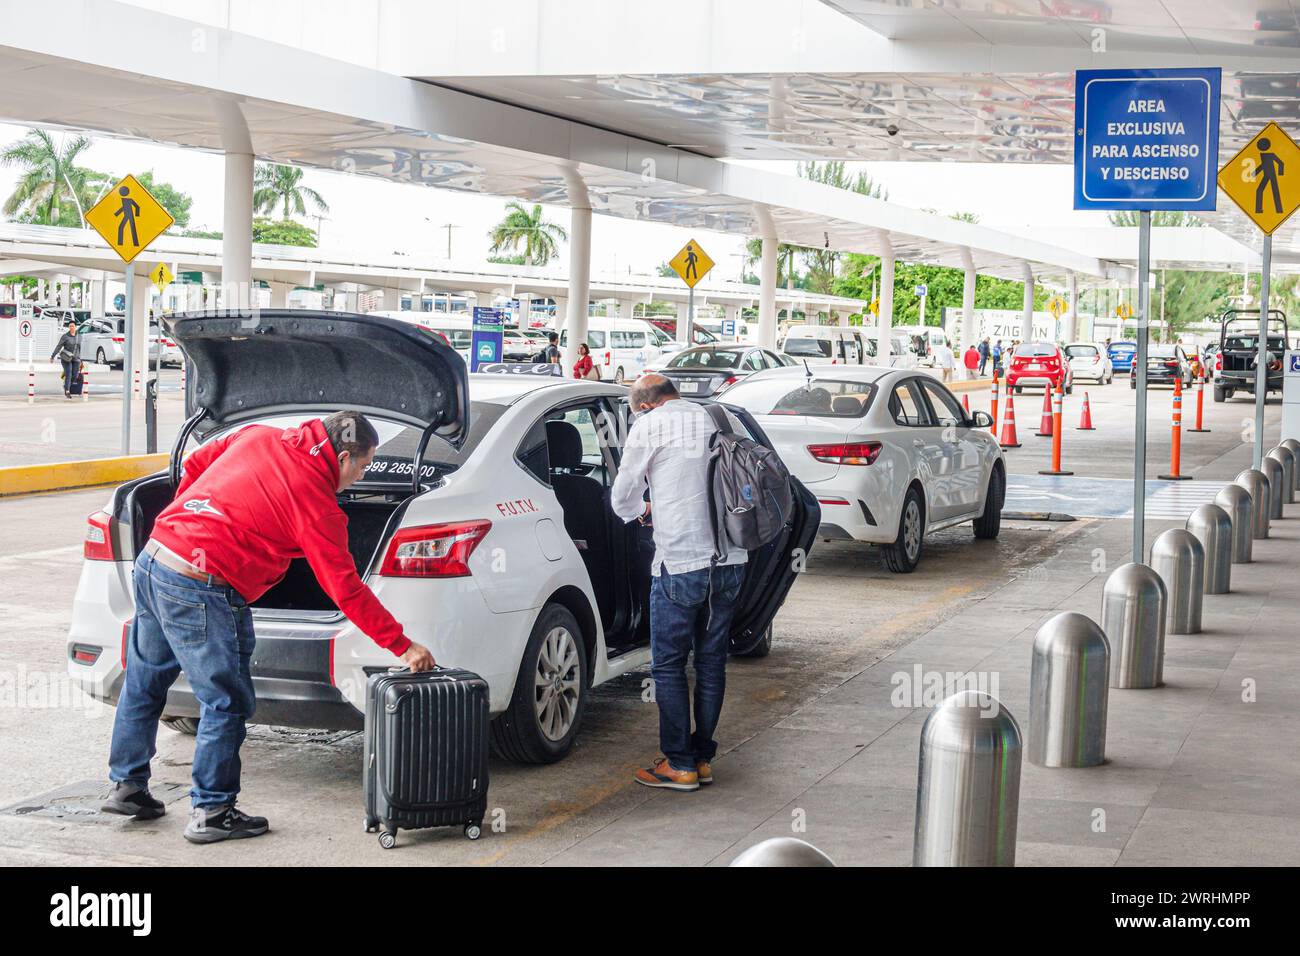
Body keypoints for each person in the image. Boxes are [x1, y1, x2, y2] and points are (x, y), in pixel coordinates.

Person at [103, 410, 436, 843]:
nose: (360, 476)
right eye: (364, 465)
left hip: (156, 559)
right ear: (343, 457)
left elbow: (195, 464)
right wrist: (403, 645)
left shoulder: (259, 435)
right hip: (200, 586)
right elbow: (346, 590)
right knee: (225, 701)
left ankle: (127, 785)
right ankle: (212, 810)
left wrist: (192, 518)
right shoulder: (316, 503)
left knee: (145, 681)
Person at [611, 374, 747, 792]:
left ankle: (679, 764)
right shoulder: (720, 417)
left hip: (681, 563)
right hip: (732, 559)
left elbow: (622, 497)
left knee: (669, 666)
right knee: (710, 663)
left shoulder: (650, 425)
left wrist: (643, 509)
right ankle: (702, 759)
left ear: (647, 406)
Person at [49, 321, 81, 399]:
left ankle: (66, 384)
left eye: (73, 326)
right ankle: (67, 390)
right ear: (68, 327)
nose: (71, 327)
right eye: (70, 326)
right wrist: (53, 356)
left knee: (75, 375)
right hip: (66, 358)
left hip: (76, 358)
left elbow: (79, 348)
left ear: (75, 327)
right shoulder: (65, 336)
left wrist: (80, 358)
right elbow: (59, 346)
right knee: (69, 374)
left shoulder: (79, 336)